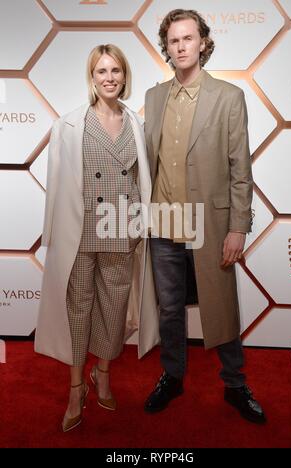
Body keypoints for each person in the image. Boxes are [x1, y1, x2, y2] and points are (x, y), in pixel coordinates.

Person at [143, 9, 266, 424]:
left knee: (220, 304)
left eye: (188, 39)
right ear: (168, 46)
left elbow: (240, 169)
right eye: (174, 40)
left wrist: (237, 227)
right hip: (164, 223)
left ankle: (235, 384)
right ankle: (172, 376)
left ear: (202, 43)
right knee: (170, 309)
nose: (181, 46)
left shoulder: (229, 97)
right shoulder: (153, 97)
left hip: (209, 224)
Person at [34, 44, 159, 432]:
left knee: (114, 308)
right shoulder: (68, 125)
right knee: (78, 310)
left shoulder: (137, 124)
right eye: (102, 71)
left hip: (123, 230)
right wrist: (51, 235)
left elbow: (144, 180)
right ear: (92, 77)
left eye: (116, 71)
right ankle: (76, 387)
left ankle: (102, 373)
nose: (110, 78)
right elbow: (56, 186)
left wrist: (144, 225)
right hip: (81, 231)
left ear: (125, 77)